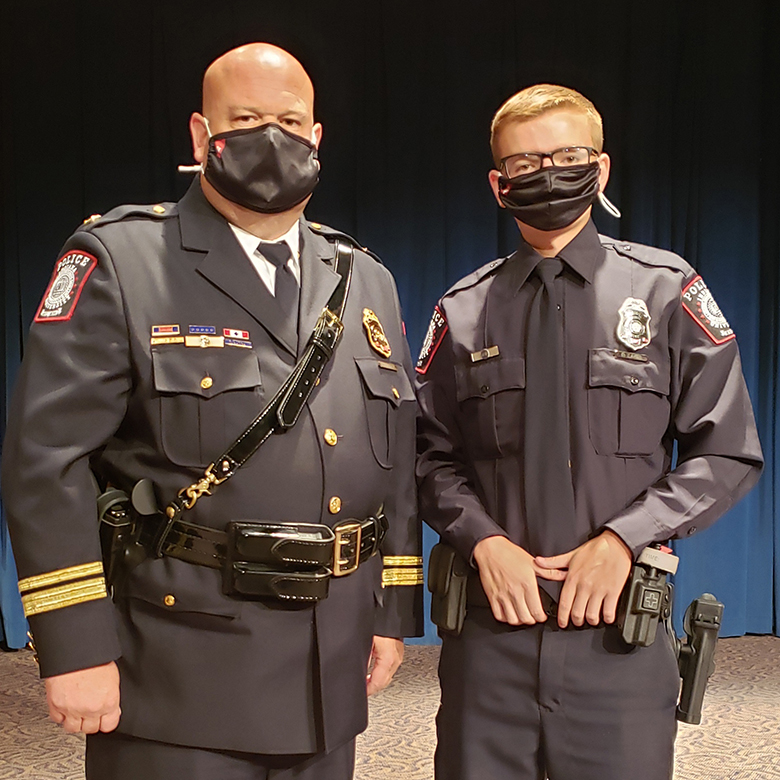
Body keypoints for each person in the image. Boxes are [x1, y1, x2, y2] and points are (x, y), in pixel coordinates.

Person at [2, 43, 422, 779]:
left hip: (328, 666)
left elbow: (395, 463)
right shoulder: (122, 261)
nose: (272, 138)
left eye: (290, 121)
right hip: (179, 670)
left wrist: (391, 612)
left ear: (317, 137)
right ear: (202, 136)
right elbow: (48, 464)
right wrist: (75, 645)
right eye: (247, 120)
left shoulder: (365, 279)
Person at [415, 84, 763, 780]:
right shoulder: (463, 310)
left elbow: (727, 451)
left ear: (600, 169)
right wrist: (482, 540)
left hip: (618, 636)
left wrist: (624, 539)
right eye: (524, 163)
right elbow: (427, 457)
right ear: (498, 184)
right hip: (490, 634)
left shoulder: (666, 291)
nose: (547, 174)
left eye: (567, 157)